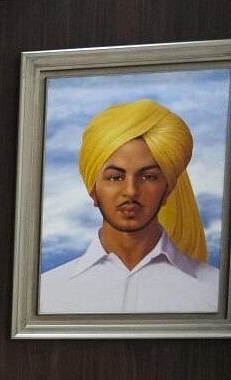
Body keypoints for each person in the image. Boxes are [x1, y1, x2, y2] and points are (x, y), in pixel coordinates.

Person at [39, 99, 219, 314]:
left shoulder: (214, 291)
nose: (131, 191)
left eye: (148, 176)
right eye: (115, 177)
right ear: (93, 190)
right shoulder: (47, 293)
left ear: (168, 190)